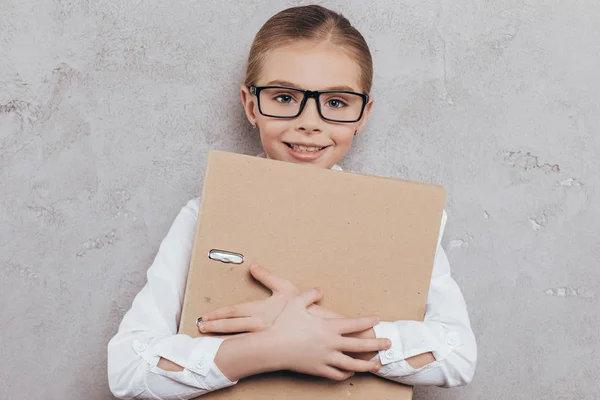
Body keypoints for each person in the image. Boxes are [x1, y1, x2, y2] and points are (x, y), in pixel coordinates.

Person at [107, 4, 477, 399]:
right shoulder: (205, 212)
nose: (310, 122)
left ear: (362, 114)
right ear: (251, 106)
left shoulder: (404, 220)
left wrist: (312, 327)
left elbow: (458, 357)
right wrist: (270, 347)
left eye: (336, 103)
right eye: (284, 97)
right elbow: (128, 370)